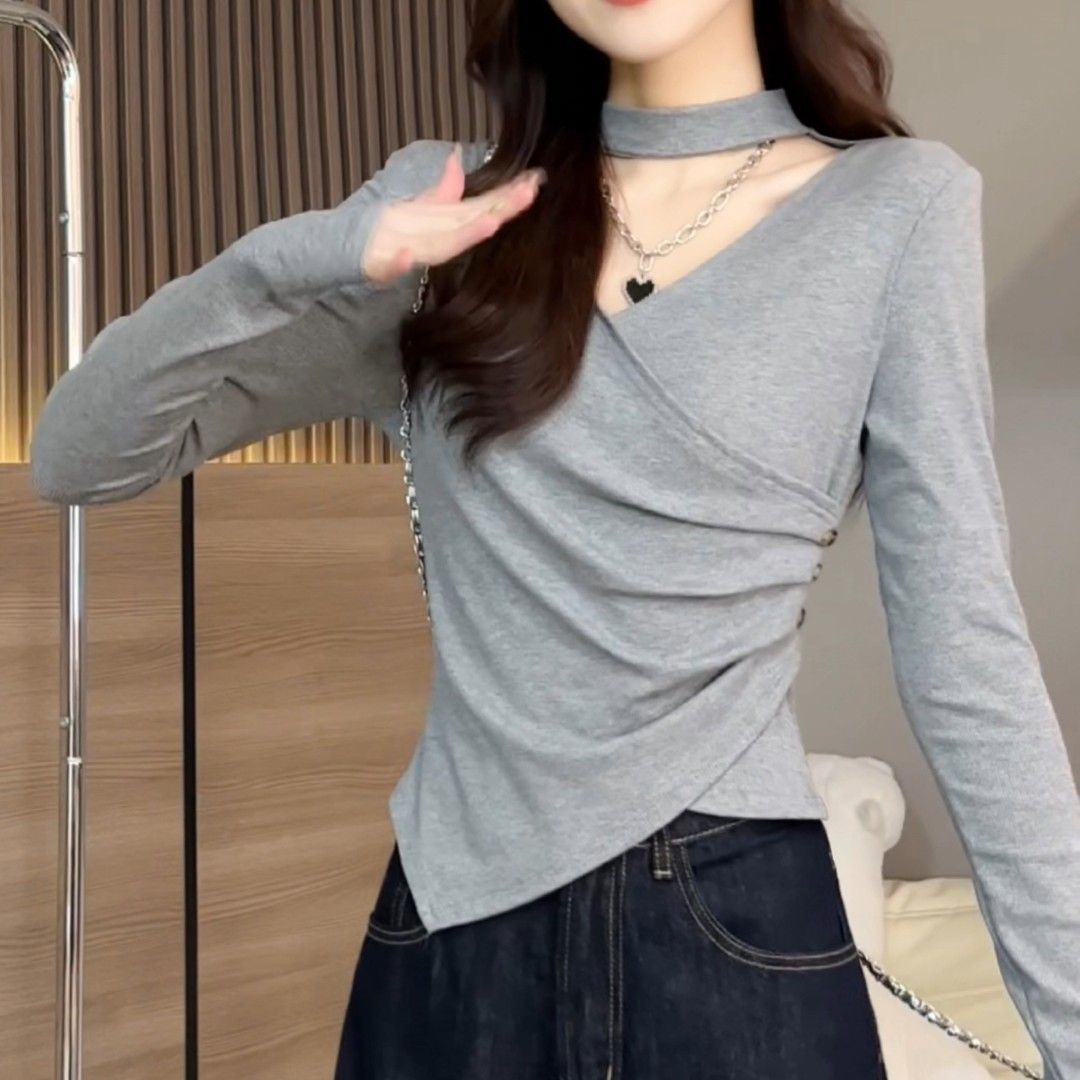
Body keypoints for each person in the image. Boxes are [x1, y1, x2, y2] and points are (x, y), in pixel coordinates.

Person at [29, 1, 1080, 1077]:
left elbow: (965, 649)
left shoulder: (898, 207)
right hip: (453, 932)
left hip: (734, 932)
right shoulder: (442, 211)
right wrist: (285, 264)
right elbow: (78, 453)